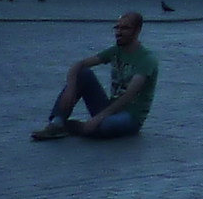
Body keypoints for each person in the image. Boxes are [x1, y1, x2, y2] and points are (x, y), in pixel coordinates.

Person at [31, 12, 158, 141]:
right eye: (117, 28)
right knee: (83, 73)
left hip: (130, 116)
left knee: (105, 126)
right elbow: (79, 64)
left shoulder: (146, 59)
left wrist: (99, 117)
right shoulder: (115, 51)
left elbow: (129, 95)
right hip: (109, 108)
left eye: (125, 28)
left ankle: (77, 127)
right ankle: (57, 124)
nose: (119, 32)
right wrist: (70, 89)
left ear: (137, 30)